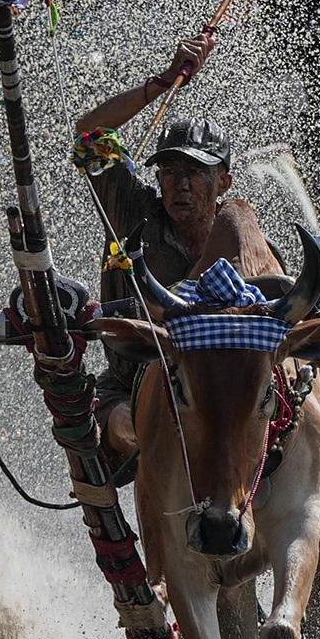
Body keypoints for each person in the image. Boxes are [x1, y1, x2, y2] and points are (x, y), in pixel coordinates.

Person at [73, 36, 226, 471]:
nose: (180, 185)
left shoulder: (239, 237)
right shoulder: (132, 209)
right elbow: (87, 136)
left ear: (224, 183)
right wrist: (160, 82)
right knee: (127, 424)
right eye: (171, 171)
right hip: (133, 384)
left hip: (221, 392)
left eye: (196, 172)